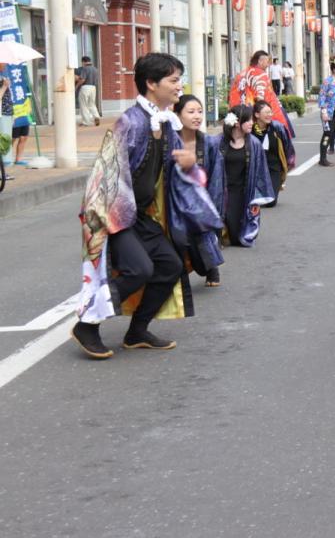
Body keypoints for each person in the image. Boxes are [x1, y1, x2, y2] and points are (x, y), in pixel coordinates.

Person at [73, 53, 224, 359]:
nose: (179, 86)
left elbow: (176, 170)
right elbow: (106, 173)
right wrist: (109, 221)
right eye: (173, 80)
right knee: (138, 269)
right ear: (151, 84)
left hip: (141, 215)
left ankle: (137, 330)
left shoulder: (165, 121)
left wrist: (187, 164)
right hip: (115, 214)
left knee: (170, 265)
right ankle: (87, 324)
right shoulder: (131, 121)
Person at [173, 95, 225, 288]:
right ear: (177, 115)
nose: (197, 116)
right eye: (191, 112)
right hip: (177, 202)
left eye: (200, 111)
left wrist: (213, 210)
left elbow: (216, 178)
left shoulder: (210, 144)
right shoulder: (170, 142)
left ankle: (212, 269)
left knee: (203, 240)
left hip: (201, 201)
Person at [220, 104, 275, 247]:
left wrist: (257, 197)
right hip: (223, 190)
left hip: (245, 190)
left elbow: (260, 171)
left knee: (240, 236)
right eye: (248, 120)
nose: (252, 123)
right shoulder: (219, 142)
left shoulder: (254, 144)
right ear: (237, 123)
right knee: (227, 231)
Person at [230, 50, 293, 137]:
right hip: (264, 114)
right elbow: (260, 97)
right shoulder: (259, 73)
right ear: (260, 61)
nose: (268, 65)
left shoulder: (241, 74)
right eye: (267, 62)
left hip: (240, 114)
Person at [251, 100, 295, 207]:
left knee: (270, 202)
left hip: (274, 167)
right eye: (266, 112)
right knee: (252, 201)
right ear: (257, 114)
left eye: (270, 112)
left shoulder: (277, 127)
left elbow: (287, 146)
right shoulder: (250, 130)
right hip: (255, 168)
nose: (269, 115)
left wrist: (289, 163)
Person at [75, 55, 101, 126]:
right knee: (92, 104)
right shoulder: (95, 69)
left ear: (83, 62)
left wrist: (77, 86)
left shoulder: (85, 69)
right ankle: (96, 116)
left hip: (85, 87)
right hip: (93, 88)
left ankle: (86, 122)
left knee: (83, 105)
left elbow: (82, 79)